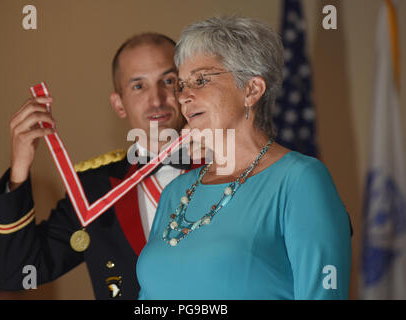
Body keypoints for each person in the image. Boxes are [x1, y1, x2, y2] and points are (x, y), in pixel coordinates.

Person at [136, 16, 352, 299]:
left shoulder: (299, 180)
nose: (184, 97)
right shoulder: (175, 192)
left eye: (200, 80)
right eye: (181, 84)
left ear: (251, 90)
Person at [0, 33, 197, 299]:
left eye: (168, 81)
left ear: (185, 91)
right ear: (118, 104)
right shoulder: (93, 190)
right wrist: (19, 168)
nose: (156, 99)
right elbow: (17, 272)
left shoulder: (227, 170)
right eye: (138, 86)